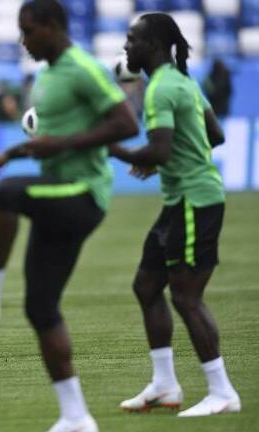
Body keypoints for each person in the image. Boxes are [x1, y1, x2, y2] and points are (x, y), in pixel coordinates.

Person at [0, 1, 139, 430]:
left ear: (53, 26)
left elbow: (126, 124)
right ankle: (76, 417)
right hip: (58, 192)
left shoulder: (83, 69)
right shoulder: (46, 76)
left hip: (83, 192)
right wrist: (9, 154)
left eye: (29, 31)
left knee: (8, 194)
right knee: (41, 308)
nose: (23, 41)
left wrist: (64, 144)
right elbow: (49, 139)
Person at [111, 12, 241, 417]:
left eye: (132, 39)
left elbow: (159, 149)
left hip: (193, 200)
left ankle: (222, 392)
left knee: (186, 297)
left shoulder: (161, 89)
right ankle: (165, 384)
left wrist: (110, 148)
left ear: (151, 45)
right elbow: (214, 134)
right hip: (182, 200)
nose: (126, 46)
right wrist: (162, 159)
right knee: (147, 285)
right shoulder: (183, 81)